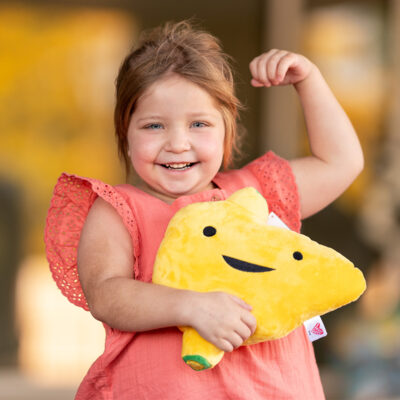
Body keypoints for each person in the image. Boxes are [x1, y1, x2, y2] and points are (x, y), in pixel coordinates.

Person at [44, 20, 363, 399]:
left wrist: (308, 80)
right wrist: (191, 307)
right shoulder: (120, 209)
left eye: (199, 124)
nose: (178, 143)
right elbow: (106, 295)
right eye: (153, 126)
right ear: (125, 135)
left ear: (227, 131)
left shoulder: (256, 195)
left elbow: (340, 162)